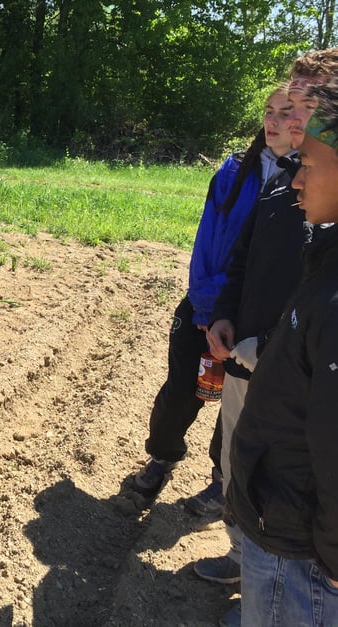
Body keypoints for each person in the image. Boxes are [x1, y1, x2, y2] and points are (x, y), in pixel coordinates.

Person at [196, 49, 338, 626]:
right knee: (238, 460)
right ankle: (252, 577)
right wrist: (222, 312)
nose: (293, 119)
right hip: (249, 355)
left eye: (307, 106)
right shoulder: (280, 189)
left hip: (300, 518)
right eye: (289, 105)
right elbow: (241, 256)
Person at [132, 84, 295, 517]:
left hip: (256, 314)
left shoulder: (304, 177)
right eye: (269, 111)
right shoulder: (232, 172)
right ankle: (162, 456)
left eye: (287, 112)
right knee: (181, 391)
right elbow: (207, 243)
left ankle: (222, 481)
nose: (275, 121)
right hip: (206, 304)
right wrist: (206, 308)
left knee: (240, 406)